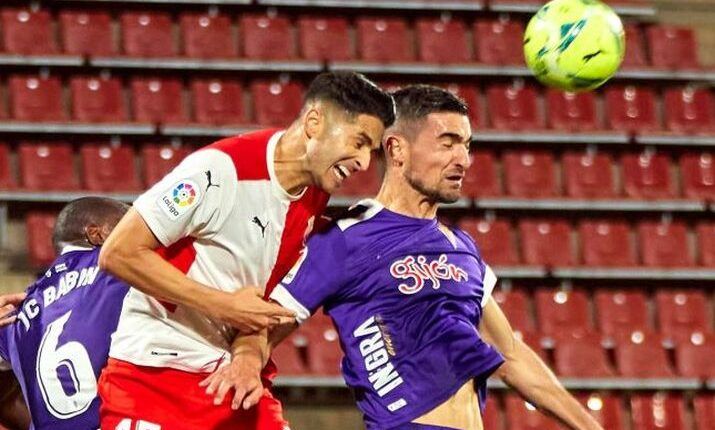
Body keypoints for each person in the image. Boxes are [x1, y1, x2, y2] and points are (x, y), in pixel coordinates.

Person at [210, 85, 602, 429]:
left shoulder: (461, 247)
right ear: (396, 149)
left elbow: (510, 356)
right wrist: (246, 359)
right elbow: (263, 322)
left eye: (467, 146)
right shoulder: (346, 237)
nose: (463, 160)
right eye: (447, 143)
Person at [97, 71, 395, 430]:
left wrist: (247, 356)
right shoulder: (219, 170)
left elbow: (257, 303)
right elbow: (118, 253)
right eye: (359, 142)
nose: (364, 162)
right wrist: (224, 305)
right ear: (314, 122)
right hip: (153, 375)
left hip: (228, 381)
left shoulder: (313, 197)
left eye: (371, 151)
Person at [0, 197, 130, 430]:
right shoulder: (120, 268)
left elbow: (3, 401)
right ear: (96, 234)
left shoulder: (15, 313)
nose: (136, 235)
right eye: (126, 226)